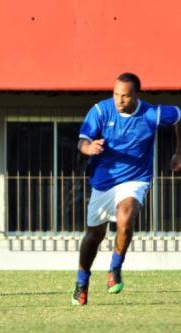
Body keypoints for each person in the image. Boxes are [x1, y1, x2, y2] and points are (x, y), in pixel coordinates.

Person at [71, 73, 181, 306]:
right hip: (103, 183)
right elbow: (82, 140)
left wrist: (179, 152)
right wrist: (88, 148)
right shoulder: (101, 111)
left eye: (125, 95)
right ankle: (82, 282)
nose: (119, 100)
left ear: (137, 95)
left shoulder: (152, 113)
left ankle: (115, 267)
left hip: (135, 179)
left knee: (126, 215)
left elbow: (179, 117)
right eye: (115, 94)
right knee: (94, 236)